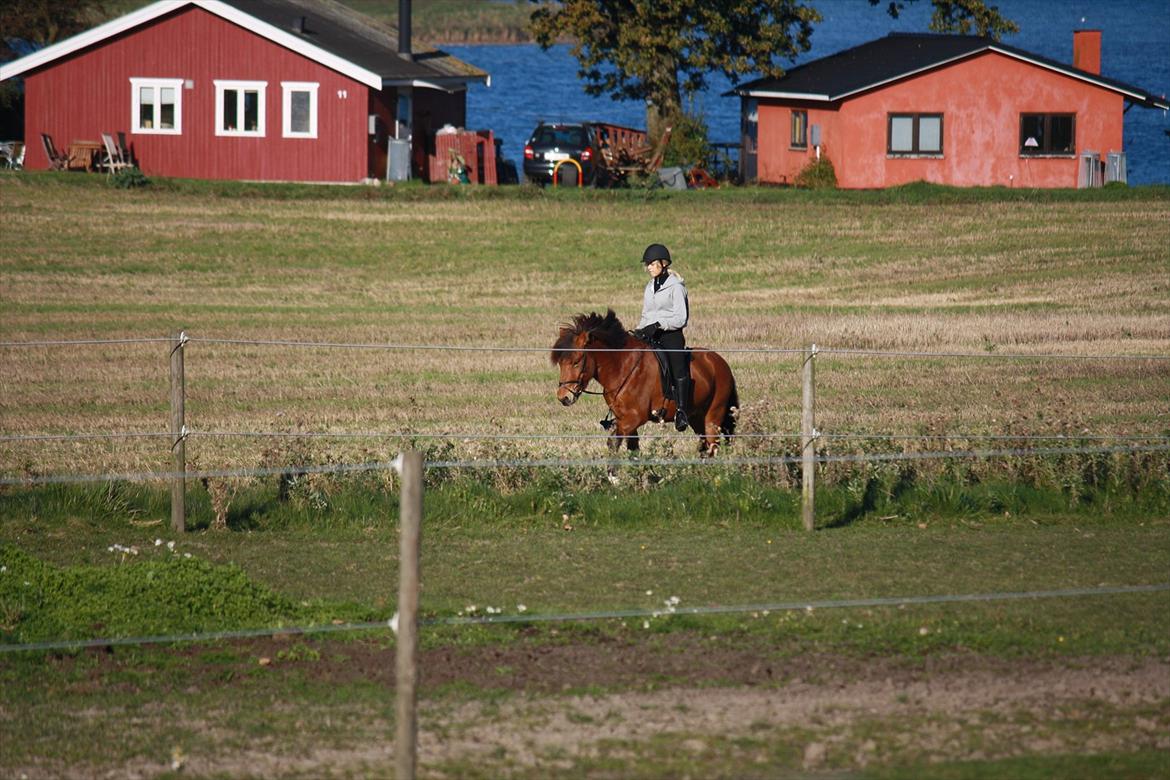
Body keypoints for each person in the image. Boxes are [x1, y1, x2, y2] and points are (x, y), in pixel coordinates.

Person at [631, 243, 691, 431]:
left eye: (651, 263)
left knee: (677, 367)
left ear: (663, 264)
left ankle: (682, 410)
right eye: (647, 264)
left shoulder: (676, 287)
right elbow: (646, 314)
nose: (648, 267)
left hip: (671, 335)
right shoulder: (649, 287)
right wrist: (639, 330)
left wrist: (659, 325)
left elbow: (681, 318)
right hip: (652, 334)